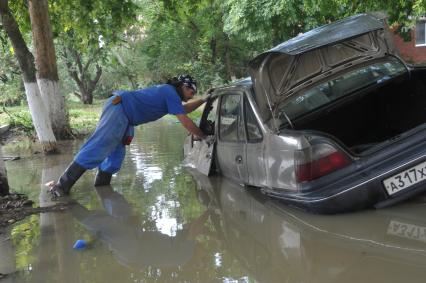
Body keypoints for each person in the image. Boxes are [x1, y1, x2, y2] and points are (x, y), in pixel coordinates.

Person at [49, 75, 210, 197]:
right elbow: (186, 121)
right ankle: (62, 186)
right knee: (99, 146)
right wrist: (204, 137)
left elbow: (185, 110)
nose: (192, 95)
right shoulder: (169, 92)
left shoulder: (171, 96)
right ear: (183, 86)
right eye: (191, 91)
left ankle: (103, 189)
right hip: (119, 108)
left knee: (116, 155)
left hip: (126, 117)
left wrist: (204, 100)